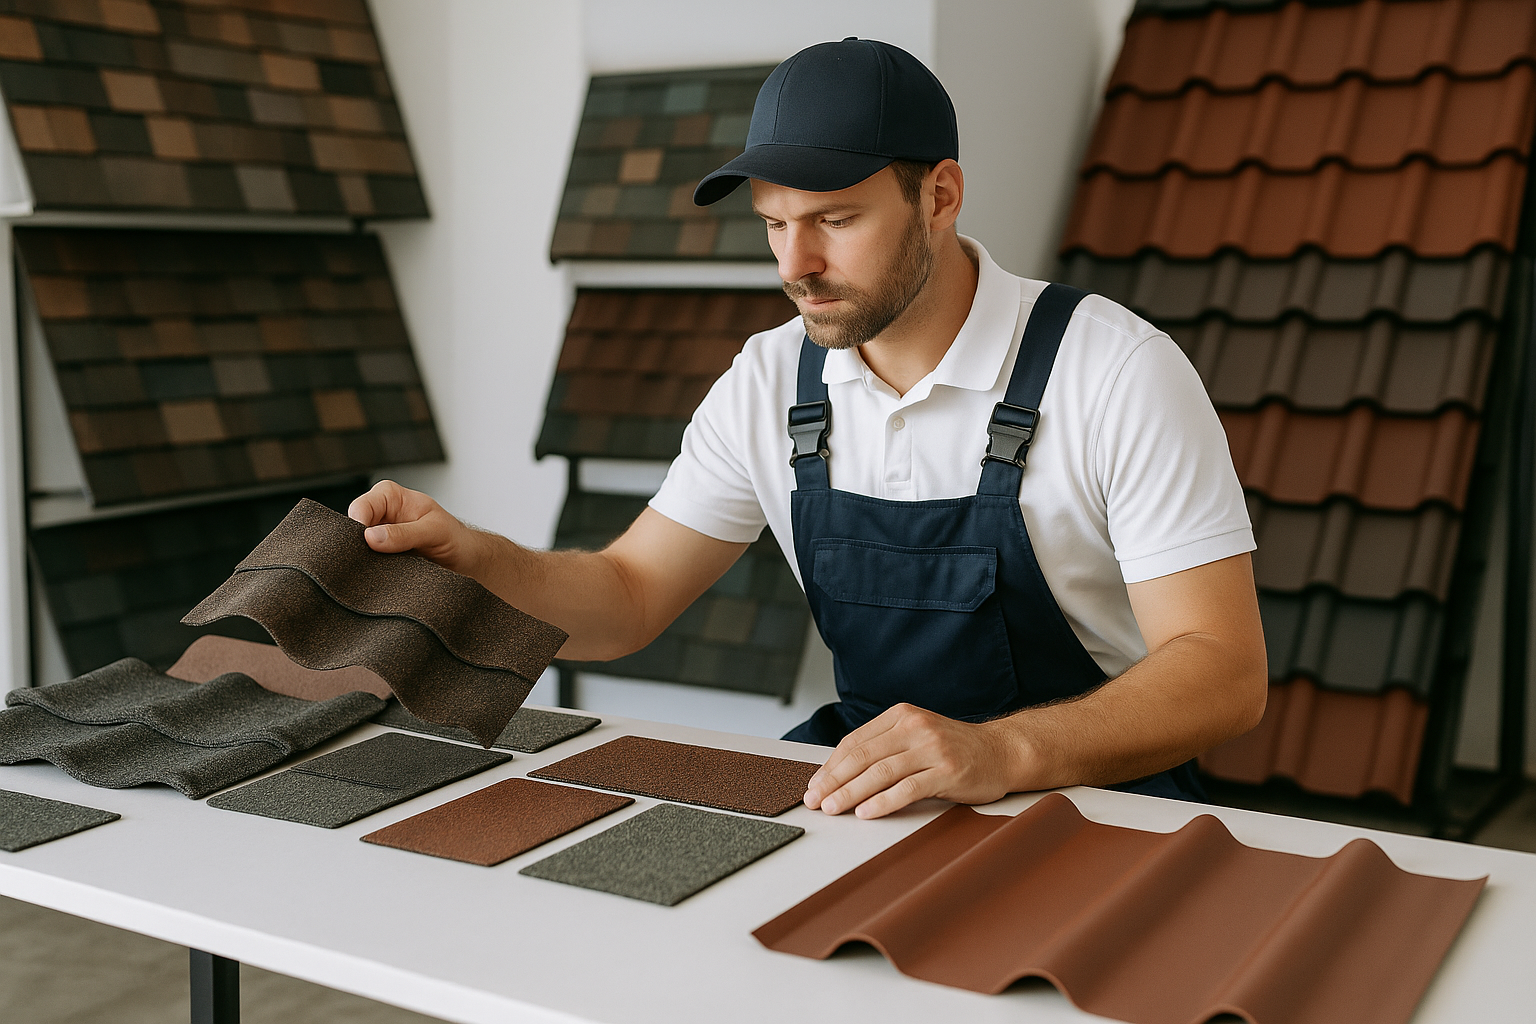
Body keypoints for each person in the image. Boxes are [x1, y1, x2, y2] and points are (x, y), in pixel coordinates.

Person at [350, 38, 1267, 819]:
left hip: (1105, 810)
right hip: (881, 801)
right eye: (774, 224)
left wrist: (1003, 754)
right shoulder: (768, 381)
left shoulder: (1114, 370)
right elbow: (627, 597)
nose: (799, 265)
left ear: (940, 196)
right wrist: (475, 562)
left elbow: (1224, 671)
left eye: (835, 219)